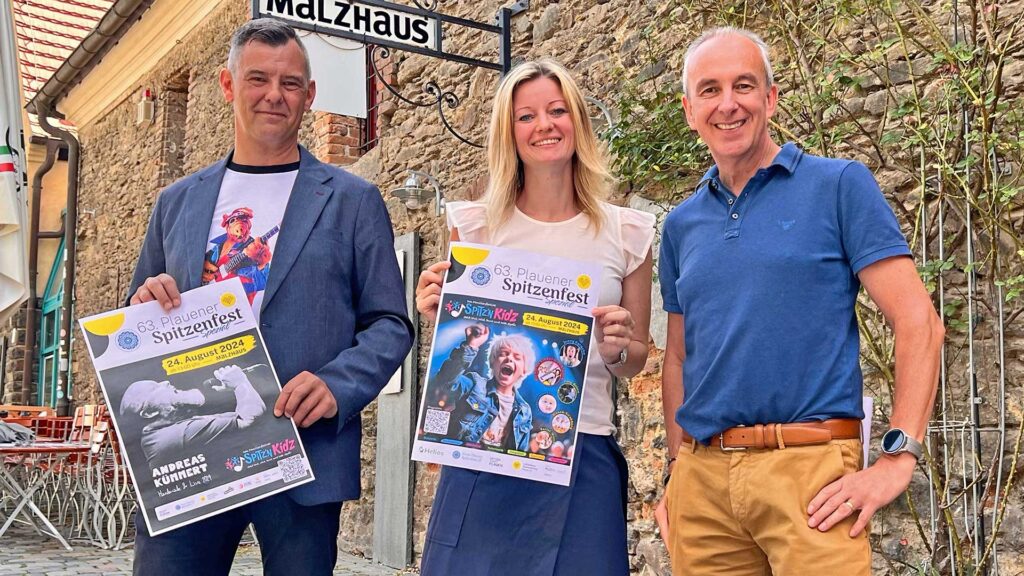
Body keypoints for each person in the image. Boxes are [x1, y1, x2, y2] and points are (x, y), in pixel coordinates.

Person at [126, 19, 413, 576]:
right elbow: (135, 310)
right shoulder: (177, 202)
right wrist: (143, 298)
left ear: (309, 96)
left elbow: (389, 322)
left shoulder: (353, 200)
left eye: (291, 83)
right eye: (258, 78)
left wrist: (338, 383)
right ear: (228, 85)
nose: (274, 95)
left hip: (302, 451)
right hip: (191, 452)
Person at [655, 27, 945, 575]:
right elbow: (677, 357)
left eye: (744, 85)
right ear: (690, 110)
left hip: (811, 473)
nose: (728, 103)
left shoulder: (839, 186)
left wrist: (897, 457)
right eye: (710, 90)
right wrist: (676, 472)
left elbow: (919, 323)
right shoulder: (680, 225)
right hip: (704, 483)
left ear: (770, 98)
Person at [415, 58, 655, 576]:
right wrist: (439, 308)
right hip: (483, 454)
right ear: (509, 133)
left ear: (579, 123)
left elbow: (635, 359)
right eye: (526, 116)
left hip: (581, 448)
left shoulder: (627, 233)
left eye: (557, 110)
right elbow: (461, 340)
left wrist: (619, 345)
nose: (544, 125)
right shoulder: (474, 226)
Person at [120, 365, 265, 465]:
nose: (165, 382)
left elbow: (235, 416)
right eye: (154, 387)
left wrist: (238, 389)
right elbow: (251, 418)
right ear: (149, 412)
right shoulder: (180, 434)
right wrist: (240, 384)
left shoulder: (162, 434)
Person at [432, 324, 535, 450]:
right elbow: (445, 380)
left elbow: (521, 452)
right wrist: (471, 347)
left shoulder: (525, 410)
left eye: (517, 357)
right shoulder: (475, 383)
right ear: (492, 362)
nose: (509, 358)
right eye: (504, 354)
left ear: (524, 370)